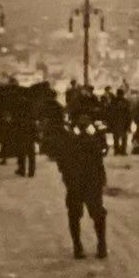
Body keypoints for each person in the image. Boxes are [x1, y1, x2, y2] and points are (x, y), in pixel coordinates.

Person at [51, 109, 110, 259]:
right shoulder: (94, 136)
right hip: (91, 181)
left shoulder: (68, 137)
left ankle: (78, 247)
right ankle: (101, 245)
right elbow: (102, 152)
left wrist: (66, 174)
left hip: (75, 182)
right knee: (97, 214)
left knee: (75, 215)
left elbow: (60, 159)